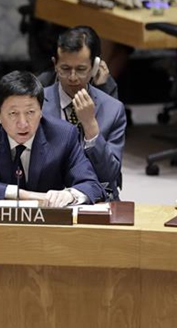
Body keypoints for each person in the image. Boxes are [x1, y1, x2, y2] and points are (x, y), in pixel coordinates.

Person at [0, 71, 105, 206]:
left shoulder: (63, 135)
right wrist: (21, 194)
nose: (23, 124)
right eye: (13, 113)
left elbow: (92, 185)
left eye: (31, 112)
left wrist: (70, 195)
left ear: (41, 111)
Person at [43, 26, 126, 200]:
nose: (73, 77)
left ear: (94, 67)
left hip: (97, 199)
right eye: (65, 69)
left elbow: (109, 174)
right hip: (49, 198)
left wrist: (91, 127)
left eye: (81, 69)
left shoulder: (113, 109)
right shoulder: (36, 104)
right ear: (54, 64)